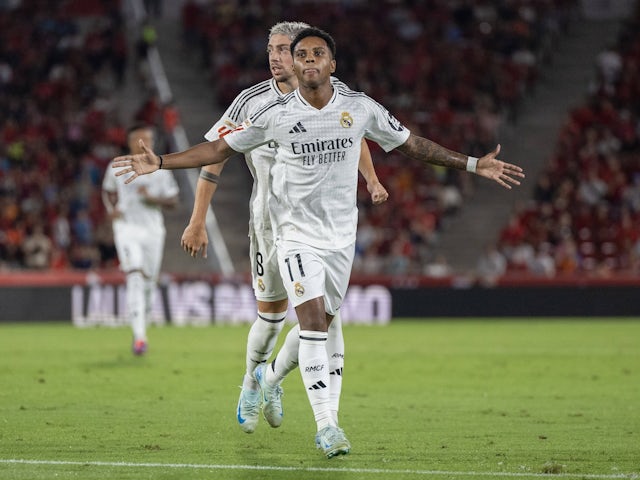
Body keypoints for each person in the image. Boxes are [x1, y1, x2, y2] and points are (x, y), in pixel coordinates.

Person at [111, 27, 525, 457]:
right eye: (287, 51)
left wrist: (470, 165)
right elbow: (217, 151)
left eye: (307, 53)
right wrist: (161, 166)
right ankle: (315, 420)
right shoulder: (262, 107)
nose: (290, 59)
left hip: (339, 235)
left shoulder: (355, 105)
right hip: (282, 227)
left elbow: (401, 142)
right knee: (286, 319)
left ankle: (269, 378)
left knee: (322, 324)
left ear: (329, 62)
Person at [180, 21, 389, 435]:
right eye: (271, 49)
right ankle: (252, 383)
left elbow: (355, 132)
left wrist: (371, 177)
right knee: (272, 318)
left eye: (282, 49)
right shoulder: (250, 101)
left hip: (317, 224)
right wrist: (197, 219)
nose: (275, 57)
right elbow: (216, 156)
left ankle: (282, 386)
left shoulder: (332, 94)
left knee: (324, 321)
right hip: (269, 222)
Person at [102, 124, 180, 355]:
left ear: (152, 142)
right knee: (134, 275)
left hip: (153, 231)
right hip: (126, 227)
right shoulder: (117, 165)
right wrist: (111, 209)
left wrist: (153, 198)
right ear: (129, 142)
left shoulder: (162, 167)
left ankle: (141, 327)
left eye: (146, 140)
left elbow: (174, 201)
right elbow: (107, 190)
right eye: (137, 140)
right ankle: (139, 337)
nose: (141, 144)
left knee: (148, 283)